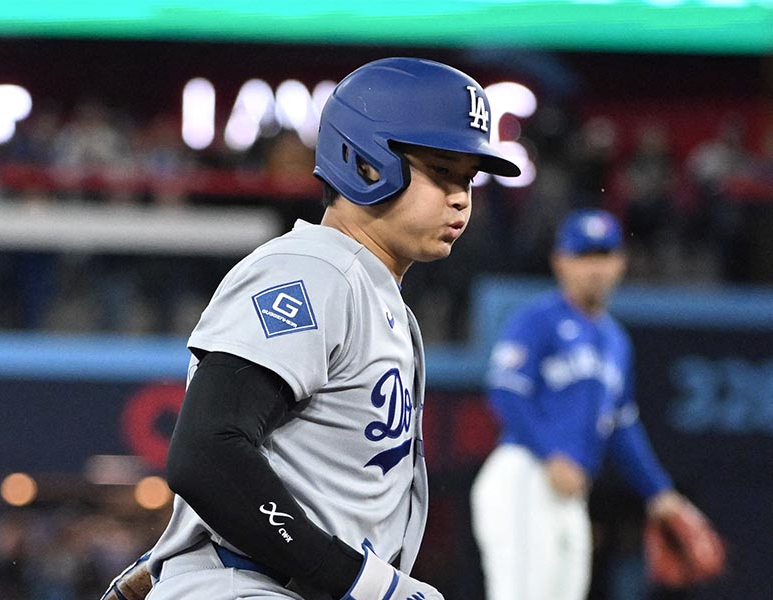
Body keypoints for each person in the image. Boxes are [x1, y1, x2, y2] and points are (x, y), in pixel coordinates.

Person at [102, 56, 521, 600]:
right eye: (441, 171)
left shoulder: (368, 290)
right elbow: (208, 451)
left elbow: (286, 471)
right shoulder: (315, 269)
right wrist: (356, 580)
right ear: (367, 163)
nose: (462, 195)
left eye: (468, 178)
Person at [470, 209, 701, 600]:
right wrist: (550, 455)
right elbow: (506, 391)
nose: (594, 268)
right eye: (583, 256)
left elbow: (622, 426)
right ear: (560, 261)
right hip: (525, 473)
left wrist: (659, 492)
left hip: (570, 494)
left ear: (620, 263)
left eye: (603, 255)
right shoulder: (538, 319)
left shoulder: (616, 341)